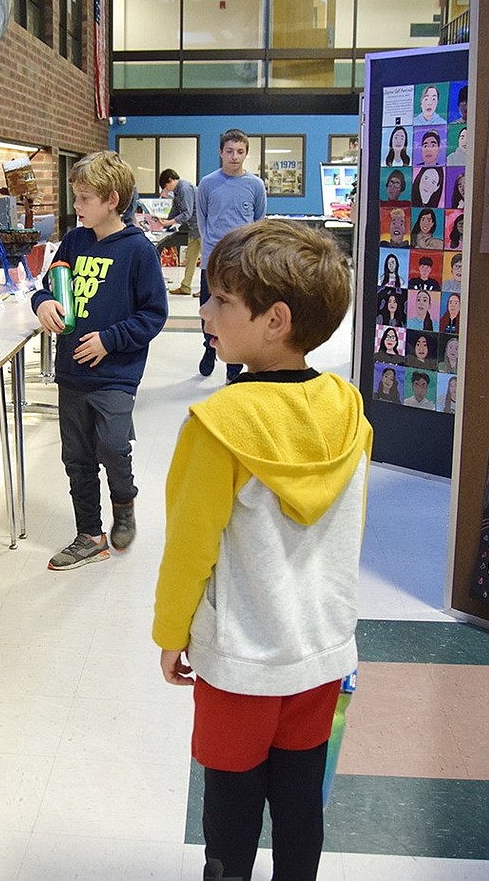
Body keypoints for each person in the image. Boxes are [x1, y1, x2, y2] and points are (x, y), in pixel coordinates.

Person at [153, 218, 370, 881]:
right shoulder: (347, 405)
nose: (205, 308)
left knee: (232, 809)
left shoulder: (219, 425)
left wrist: (171, 632)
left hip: (243, 660)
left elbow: (188, 546)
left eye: (220, 299)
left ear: (275, 319)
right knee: (302, 803)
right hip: (323, 652)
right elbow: (347, 525)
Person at [32, 151, 168, 570]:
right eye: (76, 197)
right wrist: (43, 304)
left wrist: (110, 340)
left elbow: (153, 315)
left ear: (112, 199)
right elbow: (46, 286)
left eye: (84, 198)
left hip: (114, 375)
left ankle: (123, 503)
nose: (76, 207)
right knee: (76, 456)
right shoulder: (73, 241)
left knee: (112, 446)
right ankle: (89, 534)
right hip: (72, 372)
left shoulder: (139, 252)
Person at [197, 128, 267, 381]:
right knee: (209, 308)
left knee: (238, 311)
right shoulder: (207, 184)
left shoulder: (255, 185)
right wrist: (212, 249)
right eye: (229, 151)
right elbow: (202, 220)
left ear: (246, 153)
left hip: (243, 262)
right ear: (220, 152)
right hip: (212, 260)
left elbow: (259, 221)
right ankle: (209, 347)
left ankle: (234, 365)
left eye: (240, 151)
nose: (234, 157)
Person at [158, 168, 202, 296]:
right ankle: (185, 287)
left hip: (202, 227)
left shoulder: (184, 188)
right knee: (190, 259)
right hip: (193, 229)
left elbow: (187, 213)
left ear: (170, 180)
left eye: (166, 186)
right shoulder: (177, 192)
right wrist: (165, 221)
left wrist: (169, 223)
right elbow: (175, 209)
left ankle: (207, 289)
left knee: (207, 261)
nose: (166, 190)